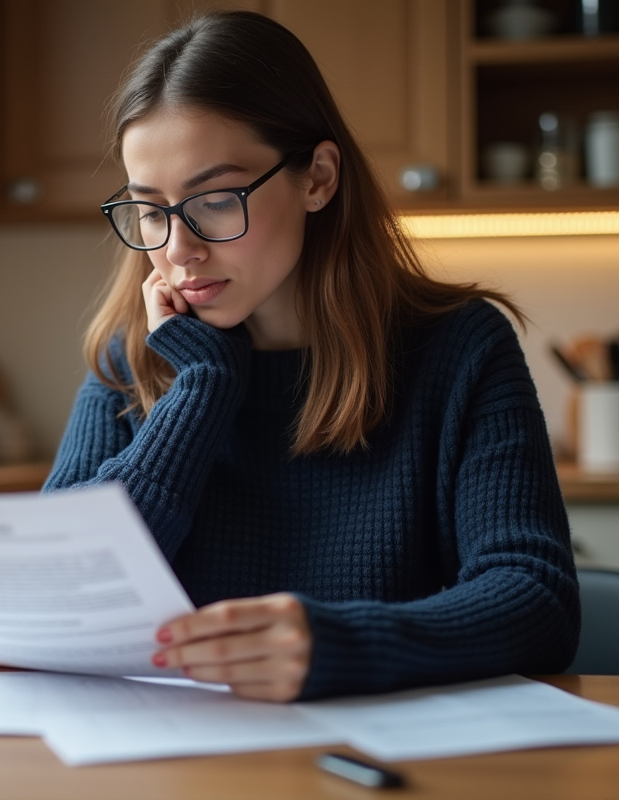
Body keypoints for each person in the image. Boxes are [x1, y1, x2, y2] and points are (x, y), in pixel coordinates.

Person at [43, 10, 579, 702]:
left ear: (318, 178)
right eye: (151, 210)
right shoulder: (131, 361)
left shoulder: (459, 348)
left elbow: (537, 600)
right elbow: (57, 594)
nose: (177, 249)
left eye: (213, 200)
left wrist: (345, 643)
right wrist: (200, 388)